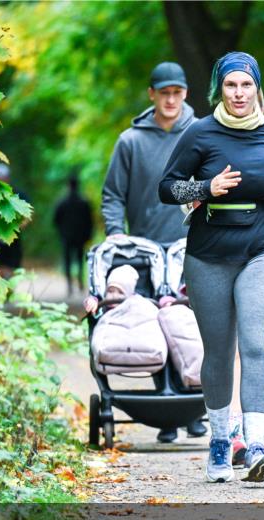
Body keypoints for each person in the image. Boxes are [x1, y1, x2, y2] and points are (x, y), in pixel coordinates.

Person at [159, 51, 264, 484]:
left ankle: (258, 443)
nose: (239, 93)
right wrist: (207, 186)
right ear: (219, 89)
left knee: (256, 345)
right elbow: (167, 188)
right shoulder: (199, 133)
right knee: (219, 352)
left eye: (246, 85)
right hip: (209, 252)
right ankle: (222, 439)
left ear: (257, 88)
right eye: (231, 85)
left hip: (263, 246)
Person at [101, 61, 205, 442]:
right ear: (152, 95)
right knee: (154, 328)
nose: (171, 100)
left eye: (177, 93)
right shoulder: (131, 141)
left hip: (188, 248)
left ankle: (194, 407)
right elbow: (113, 195)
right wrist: (116, 236)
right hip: (142, 250)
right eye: (165, 93)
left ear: (185, 95)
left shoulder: (199, 133)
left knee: (188, 328)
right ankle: (168, 417)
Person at [53, 175, 94, 294]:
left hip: (66, 236)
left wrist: (61, 232)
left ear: (68, 185)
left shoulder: (62, 202)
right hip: (80, 237)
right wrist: (88, 235)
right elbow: (90, 221)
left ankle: (69, 285)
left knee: (67, 260)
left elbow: (55, 220)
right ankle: (80, 281)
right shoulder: (84, 202)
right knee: (80, 260)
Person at [0, 163, 27, 278]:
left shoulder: (17, 194)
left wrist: (18, 226)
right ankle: (2, 290)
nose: (0, 182)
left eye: (3, 179)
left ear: (8, 179)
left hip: (12, 237)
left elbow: (29, 214)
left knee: (12, 266)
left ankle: (9, 289)